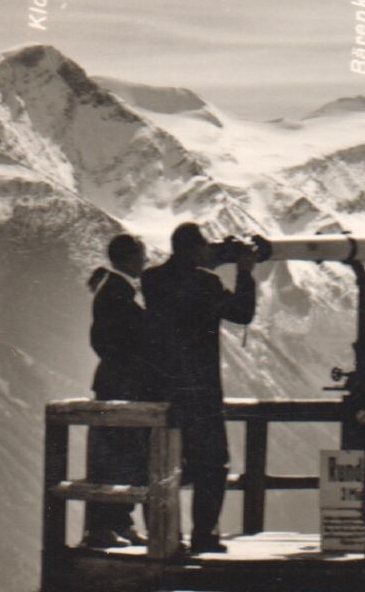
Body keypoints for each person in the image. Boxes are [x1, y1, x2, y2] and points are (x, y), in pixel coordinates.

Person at [141, 222, 257, 554]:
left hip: (161, 388)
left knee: (162, 463)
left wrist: (210, 256)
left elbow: (177, 277)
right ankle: (203, 535)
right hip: (201, 391)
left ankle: (163, 536)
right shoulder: (207, 284)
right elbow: (242, 313)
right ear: (195, 250)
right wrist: (245, 271)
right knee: (212, 464)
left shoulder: (152, 280)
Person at [82, 233, 159, 549]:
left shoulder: (114, 291)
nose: (146, 260)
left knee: (118, 457)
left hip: (114, 382)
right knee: (119, 458)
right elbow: (134, 338)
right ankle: (105, 527)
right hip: (124, 385)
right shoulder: (120, 295)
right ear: (130, 258)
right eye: (142, 254)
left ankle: (117, 523)